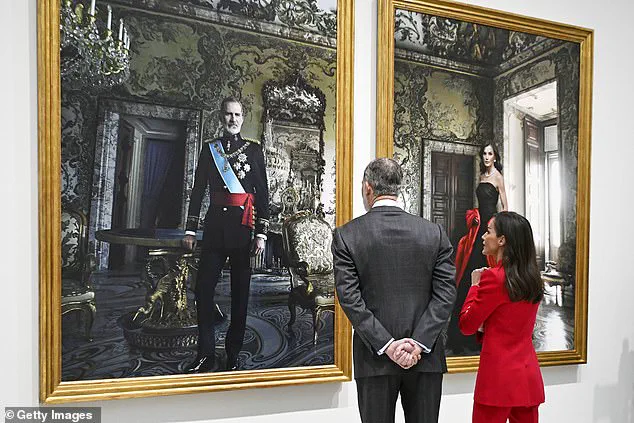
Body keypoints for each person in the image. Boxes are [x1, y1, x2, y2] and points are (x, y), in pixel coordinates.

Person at [332, 158, 456, 423]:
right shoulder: (433, 233)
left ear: (367, 188)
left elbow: (350, 299)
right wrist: (419, 343)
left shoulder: (347, 235)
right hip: (426, 357)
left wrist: (387, 345)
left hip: (374, 360)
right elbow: (445, 294)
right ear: (400, 188)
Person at [183, 97, 270, 373]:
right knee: (203, 291)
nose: (233, 119)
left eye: (237, 114)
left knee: (240, 295)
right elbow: (197, 191)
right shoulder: (210, 150)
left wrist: (261, 234)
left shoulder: (254, 151)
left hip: (243, 232)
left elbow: (263, 194)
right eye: (228, 114)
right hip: (214, 231)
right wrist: (190, 228)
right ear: (221, 117)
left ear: (243, 118)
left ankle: (233, 353)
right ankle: (205, 353)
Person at [459, 211, 545, 423]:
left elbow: (467, 325)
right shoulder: (532, 278)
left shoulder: (494, 278)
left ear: (502, 240)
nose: (483, 236)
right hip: (527, 379)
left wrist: (474, 286)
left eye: (488, 231)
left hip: (497, 381)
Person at [448, 142, 508, 354]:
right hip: (478, 224)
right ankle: (461, 333)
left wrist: (498, 226)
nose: (486, 156)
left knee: (485, 272)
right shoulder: (482, 176)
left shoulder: (498, 177)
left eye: (490, 153)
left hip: (490, 224)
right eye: (484, 153)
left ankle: (483, 332)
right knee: (468, 274)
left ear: (495, 156)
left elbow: (505, 207)